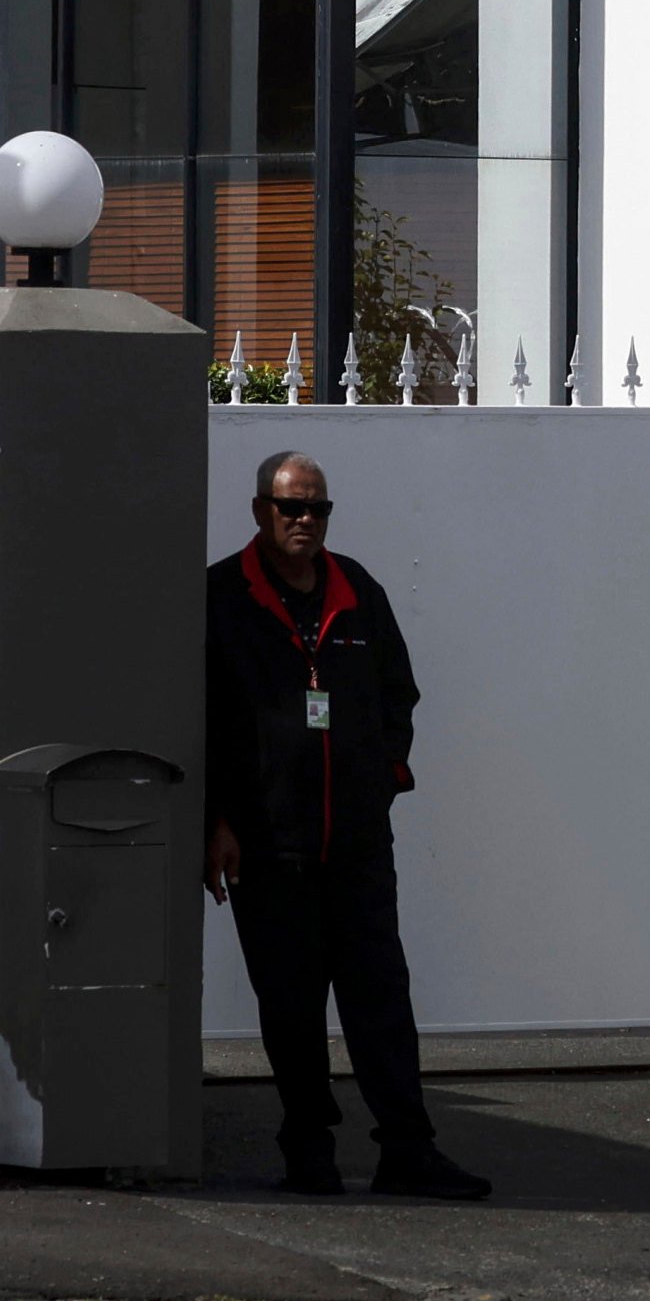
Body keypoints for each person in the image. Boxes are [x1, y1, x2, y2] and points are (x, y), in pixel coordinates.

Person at [205, 449, 492, 1199]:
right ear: (260, 510)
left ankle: (408, 1148)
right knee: (291, 1008)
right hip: (270, 846)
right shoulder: (220, 597)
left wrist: (384, 777)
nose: (305, 522)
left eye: (317, 509)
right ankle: (308, 1149)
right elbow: (197, 718)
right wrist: (215, 821)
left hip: (357, 844)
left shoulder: (356, 589)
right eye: (291, 508)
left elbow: (398, 692)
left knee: (381, 1002)